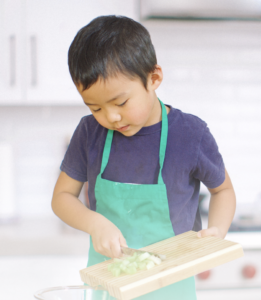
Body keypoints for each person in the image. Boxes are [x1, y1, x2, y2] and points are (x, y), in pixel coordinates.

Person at [51, 15, 236, 300]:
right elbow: (61, 197)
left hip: (171, 287)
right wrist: (94, 223)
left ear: (154, 78)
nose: (110, 117)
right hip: (107, 286)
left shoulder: (190, 135)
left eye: (121, 102)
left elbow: (222, 190)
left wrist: (218, 230)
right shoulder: (90, 133)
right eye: (95, 108)